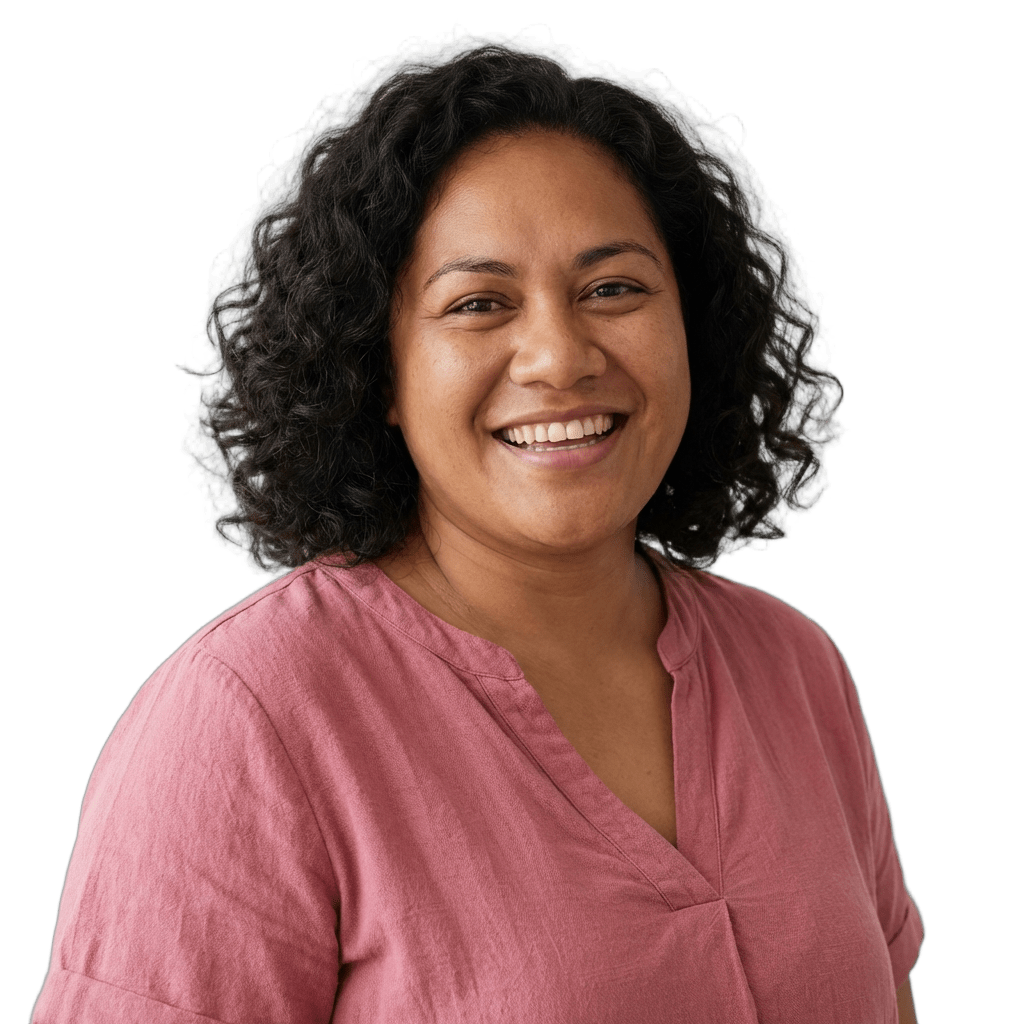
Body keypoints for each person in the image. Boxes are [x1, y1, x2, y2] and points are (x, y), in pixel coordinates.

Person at [31, 22, 924, 1024]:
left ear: (697, 328)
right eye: (478, 303)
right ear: (378, 370)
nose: (560, 356)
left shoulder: (795, 668)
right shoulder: (248, 719)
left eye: (613, 288)